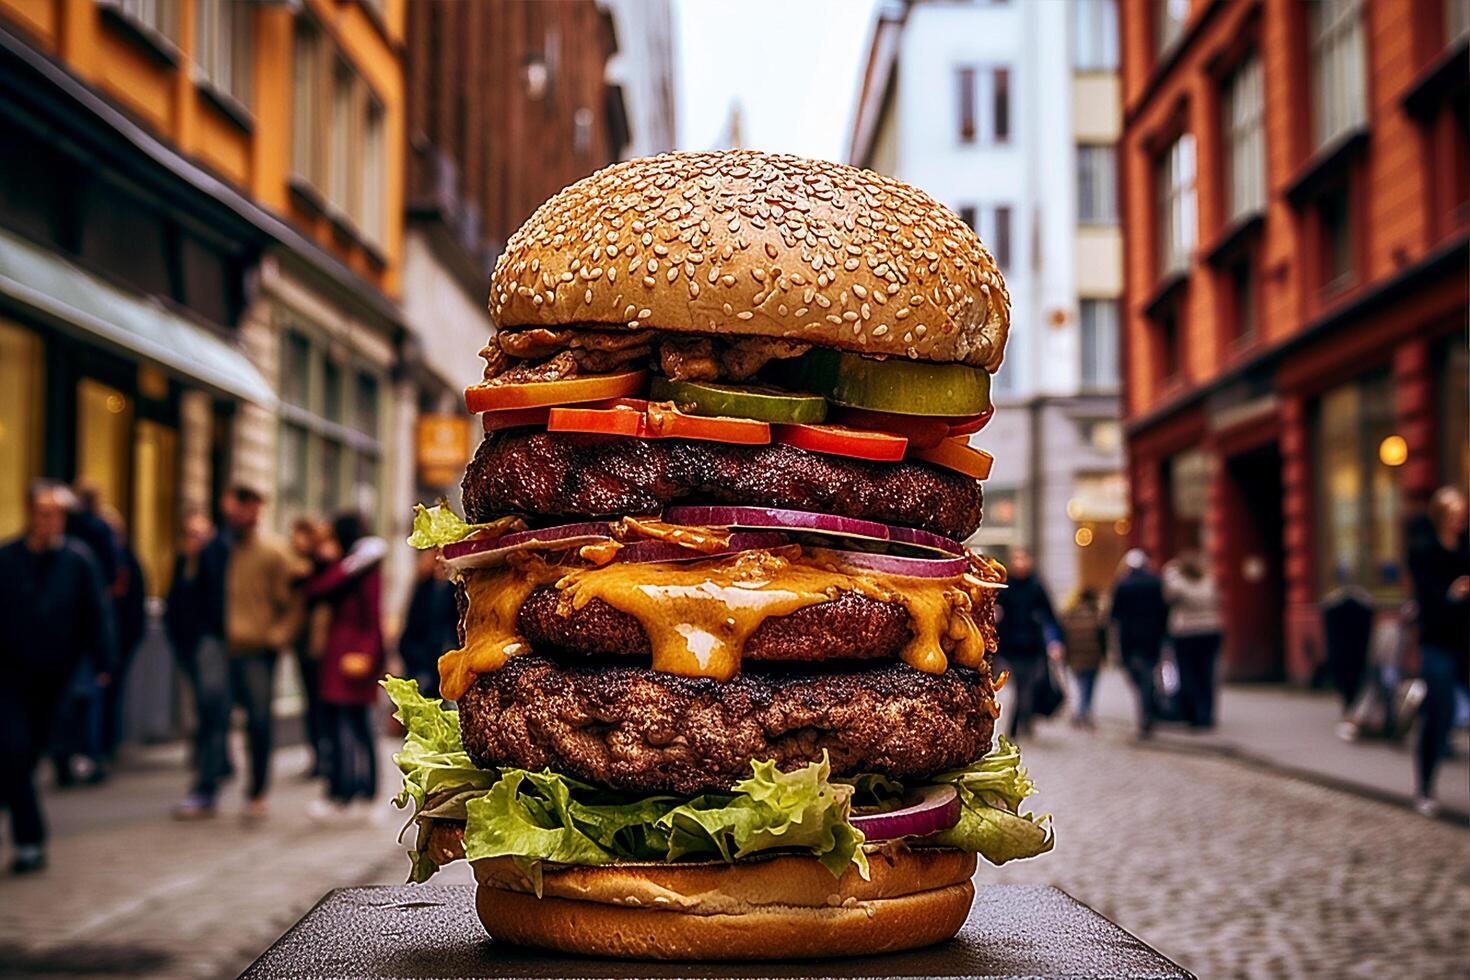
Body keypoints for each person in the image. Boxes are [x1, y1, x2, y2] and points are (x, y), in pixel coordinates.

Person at [0, 482, 115, 873]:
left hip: (56, 678)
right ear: (30, 514)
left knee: (28, 755)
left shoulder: (78, 561)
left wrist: (104, 663)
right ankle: (29, 840)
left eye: (57, 514)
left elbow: (96, 614)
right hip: (11, 676)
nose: (50, 521)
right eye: (43, 512)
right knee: (13, 750)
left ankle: (21, 817)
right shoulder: (8, 559)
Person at [222, 485, 306, 819]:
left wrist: (280, 635)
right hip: (225, 646)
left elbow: (299, 593)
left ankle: (257, 789)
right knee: (216, 715)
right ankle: (212, 780)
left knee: (257, 720)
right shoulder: (224, 549)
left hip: (258, 650)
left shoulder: (273, 551)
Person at [305, 513, 387, 818]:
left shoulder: (361, 567)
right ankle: (351, 789)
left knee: (355, 724)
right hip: (345, 652)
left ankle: (359, 790)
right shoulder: (355, 565)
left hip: (353, 654)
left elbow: (369, 612)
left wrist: (368, 655)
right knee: (347, 722)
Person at [1406, 486, 1469, 818]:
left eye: (1463, 513)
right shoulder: (1425, 552)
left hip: (1464, 641)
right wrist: (1453, 594)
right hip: (1438, 644)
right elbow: (1428, 602)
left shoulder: (1466, 546)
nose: (1460, 519)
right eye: (1454, 513)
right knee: (1439, 715)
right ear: (1442, 515)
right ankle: (1425, 788)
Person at [167, 508, 233, 819]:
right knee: (201, 713)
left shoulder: (213, 561)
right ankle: (216, 765)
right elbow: (175, 606)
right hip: (189, 647)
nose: (195, 542)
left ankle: (209, 778)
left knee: (210, 711)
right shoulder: (183, 565)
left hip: (211, 646)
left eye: (201, 535)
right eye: (190, 535)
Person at [994, 548, 1064, 739]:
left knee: (1028, 688)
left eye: (1023, 558)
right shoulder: (1005, 588)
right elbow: (995, 616)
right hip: (1010, 648)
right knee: (1018, 689)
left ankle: (1024, 723)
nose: (1019, 563)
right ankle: (1017, 726)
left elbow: (1050, 616)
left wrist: (1055, 642)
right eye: (1016, 559)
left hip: (1033, 648)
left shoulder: (1036, 586)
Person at [97, 506, 147, 768]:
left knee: (110, 694)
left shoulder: (126, 562)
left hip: (120, 640)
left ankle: (104, 745)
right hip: (102, 641)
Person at [288, 517, 333, 780]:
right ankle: (317, 755)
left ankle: (324, 757)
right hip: (305, 643)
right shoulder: (298, 563)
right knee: (312, 704)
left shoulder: (321, 564)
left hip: (320, 645)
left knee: (321, 703)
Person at [1110, 549, 1169, 738]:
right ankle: (1148, 709)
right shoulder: (1155, 582)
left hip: (1130, 639)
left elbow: (1114, 614)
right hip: (1151, 637)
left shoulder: (1123, 584)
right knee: (1148, 673)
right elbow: (1163, 610)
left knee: (1137, 675)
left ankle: (1145, 711)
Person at [1163, 550, 1224, 729]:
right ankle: (1207, 714)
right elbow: (1218, 600)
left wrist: (1170, 572)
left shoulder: (1178, 584)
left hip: (1185, 633)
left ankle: (1194, 714)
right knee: (1207, 674)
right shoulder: (1209, 582)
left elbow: (1167, 598)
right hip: (1210, 631)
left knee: (1188, 675)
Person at [399, 549, 458, 699]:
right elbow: (411, 633)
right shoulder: (425, 588)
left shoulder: (456, 589)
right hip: (425, 671)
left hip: (452, 670)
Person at [1062, 589, 1106, 728]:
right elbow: (1102, 638)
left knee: (1078, 685)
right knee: (1088, 686)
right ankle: (1084, 712)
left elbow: (1065, 638)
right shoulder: (1096, 617)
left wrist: (1067, 656)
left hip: (1075, 657)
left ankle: (1079, 712)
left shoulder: (1071, 616)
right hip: (1092, 656)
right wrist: (1103, 655)